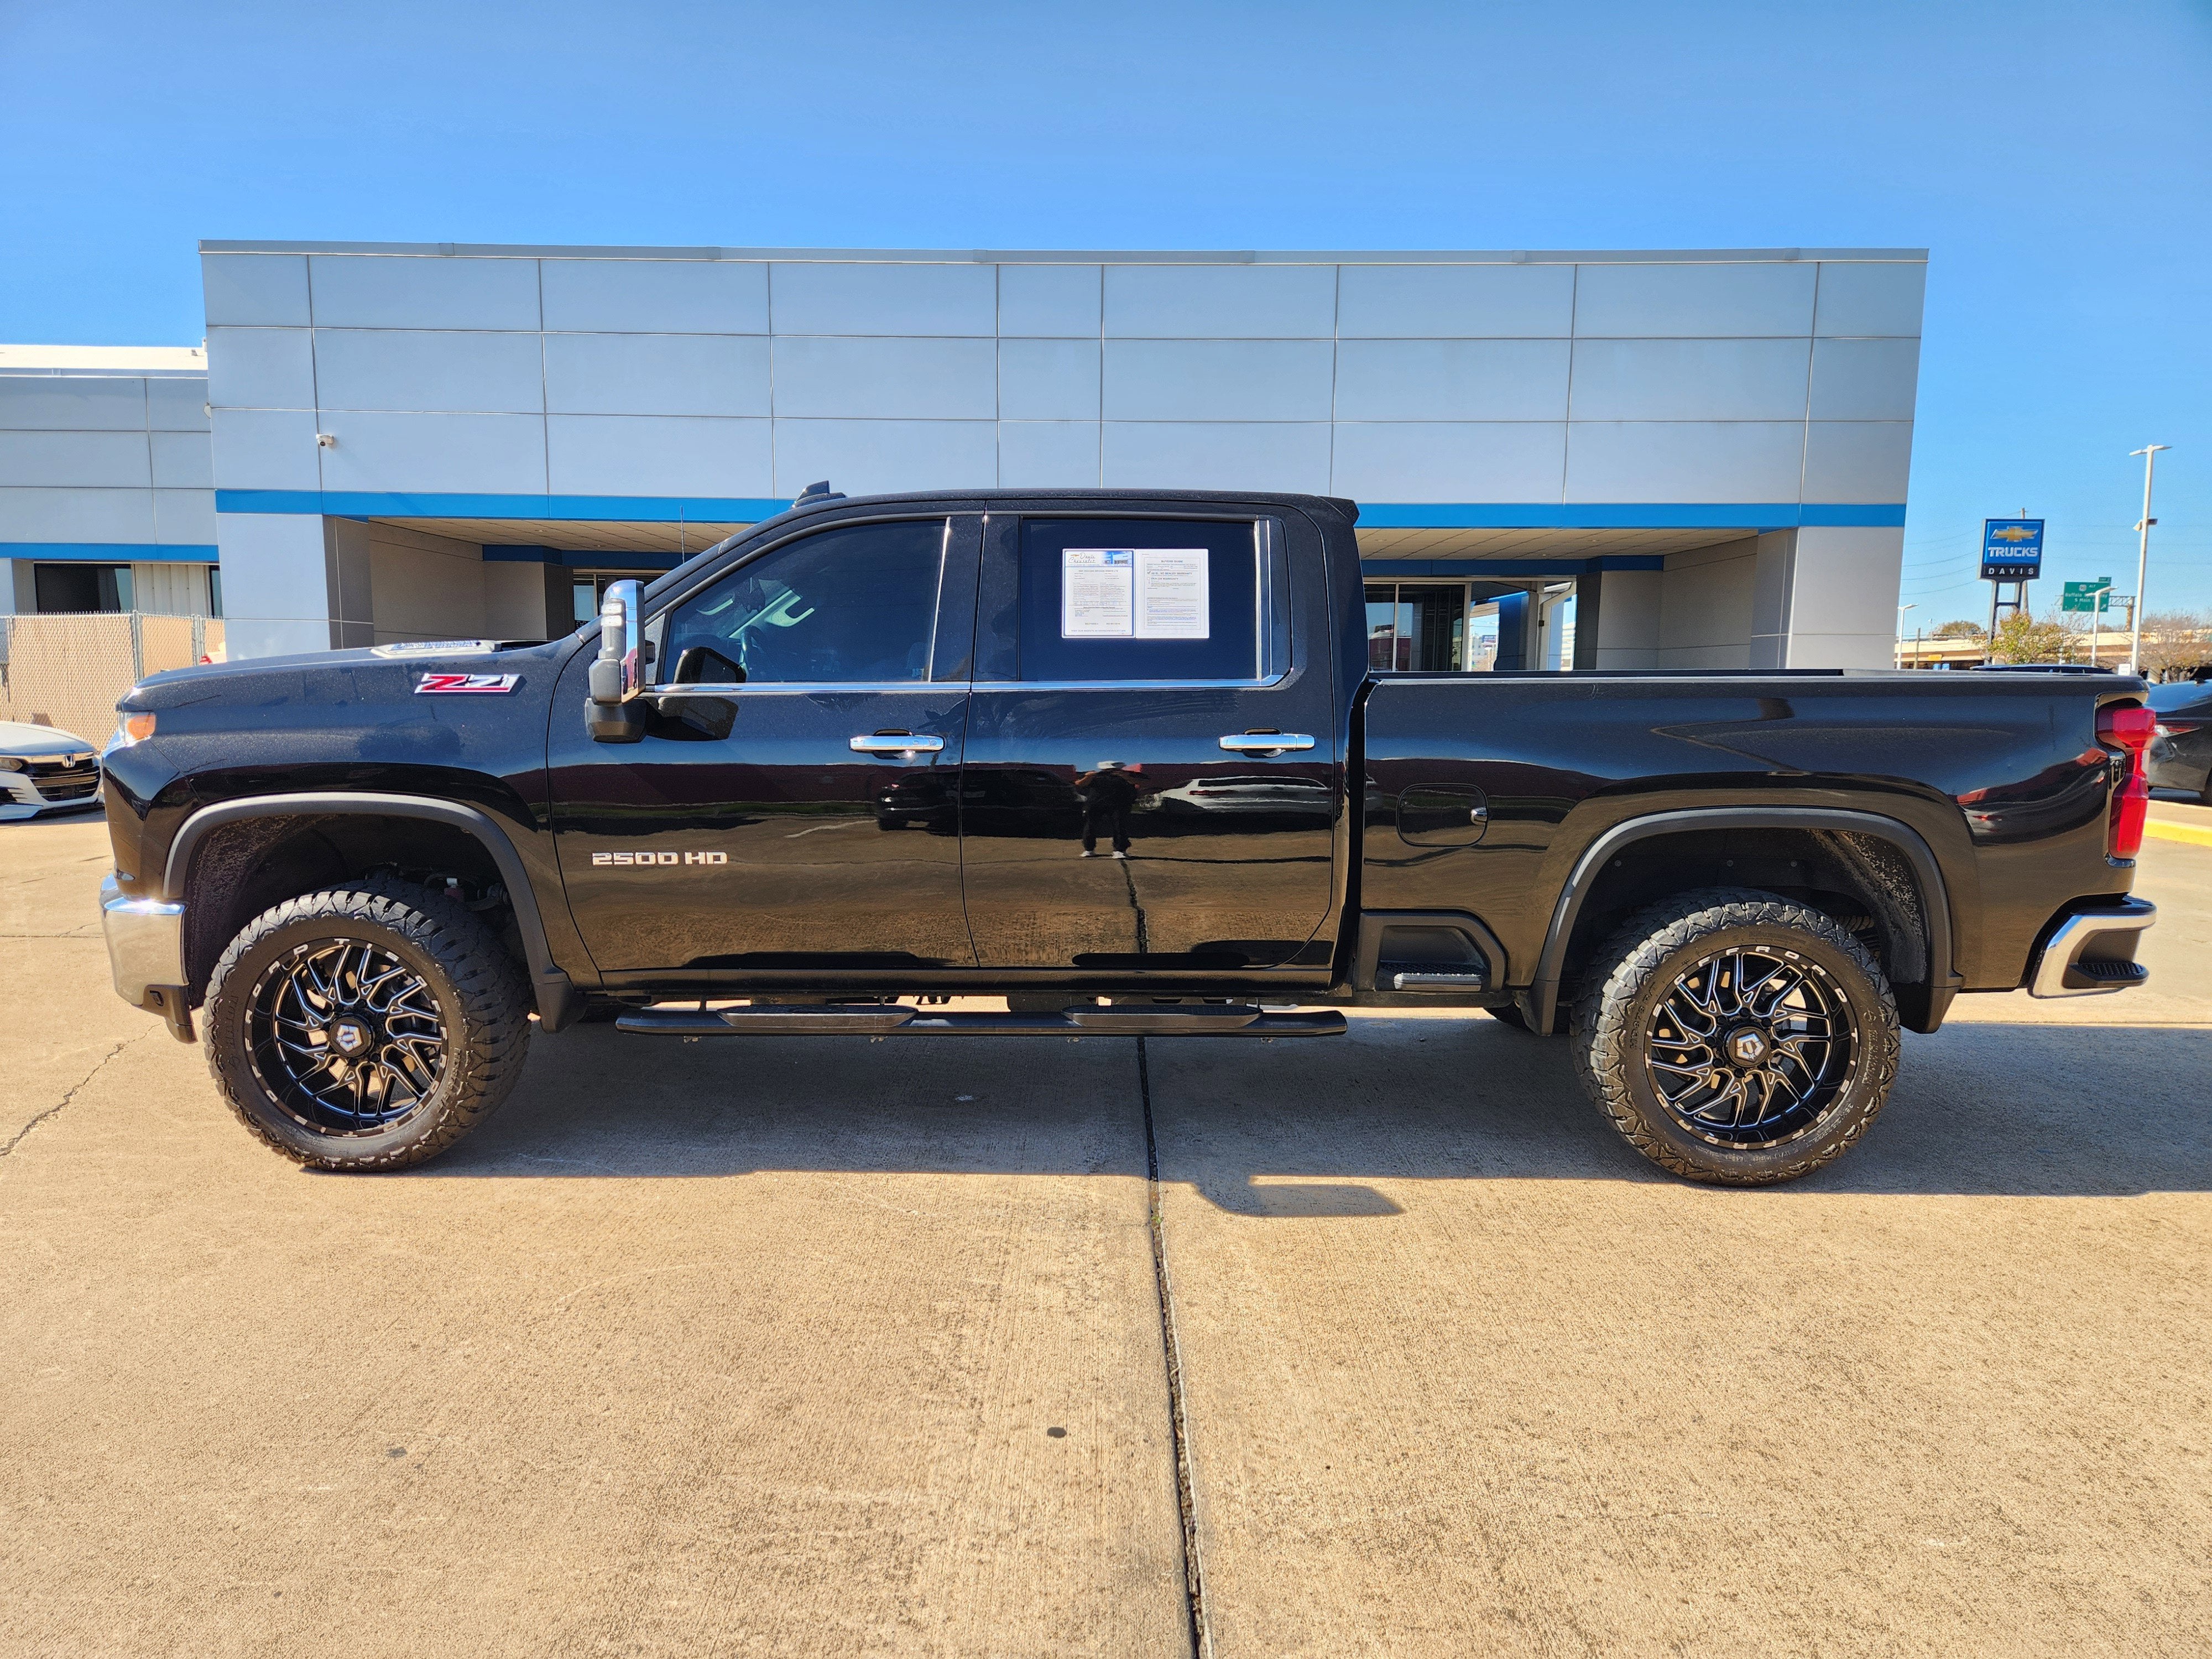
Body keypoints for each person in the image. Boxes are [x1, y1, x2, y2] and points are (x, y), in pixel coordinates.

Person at [1074, 762, 1142, 858]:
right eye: (1108, 770)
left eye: (1114, 770)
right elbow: (1079, 784)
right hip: (1096, 804)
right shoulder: (1095, 776)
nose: (1111, 772)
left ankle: (1120, 850)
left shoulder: (1127, 775)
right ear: (1103, 769)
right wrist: (1088, 777)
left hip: (1119, 804)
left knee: (1120, 826)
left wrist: (1126, 777)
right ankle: (1089, 849)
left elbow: (1140, 782)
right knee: (1090, 826)